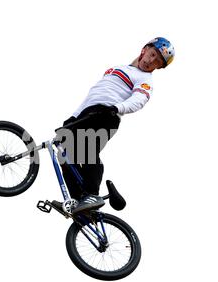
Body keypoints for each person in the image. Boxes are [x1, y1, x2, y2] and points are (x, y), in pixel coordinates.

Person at [58, 37, 175, 214]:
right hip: (86, 113)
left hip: (107, 114)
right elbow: (93, 94)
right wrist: (73, 117)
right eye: (152, 55)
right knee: (64, 153)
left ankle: (92, 195)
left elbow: (139, 100)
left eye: (157, 62)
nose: (151, 62)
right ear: (144, 49)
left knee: (88, 148)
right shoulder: (117, 69)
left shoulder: (145, 79)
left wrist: (116, 108)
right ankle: (79, 201)